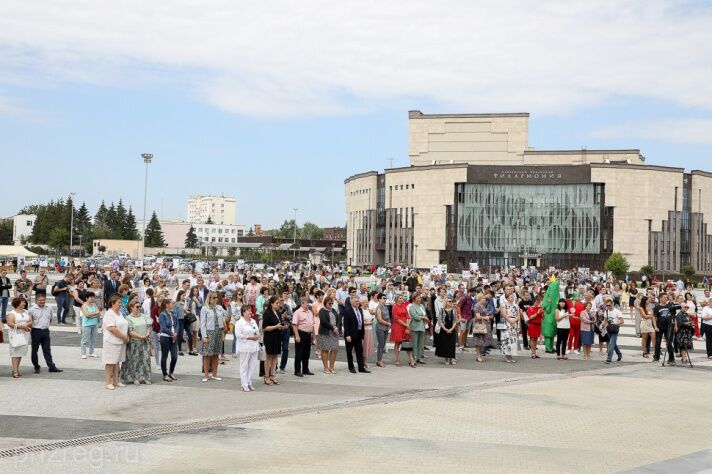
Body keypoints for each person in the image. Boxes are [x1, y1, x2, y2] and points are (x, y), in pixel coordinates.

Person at [120, 299, 152, 385]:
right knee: (135, 360)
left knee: (145, 359)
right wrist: (141, 336)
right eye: (137, 307)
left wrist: (147, 333)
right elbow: (130, 331)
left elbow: (148, 327)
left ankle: (145, 377)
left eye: (140, 306)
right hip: (134, 342)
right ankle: (135, 377)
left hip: (144, 341)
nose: (139, 308)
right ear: (131, 307)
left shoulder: (143, 316)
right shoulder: (128, 318)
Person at [102, 295, 129, 390]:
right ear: (113, 303)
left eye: (121, 303)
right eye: (119, 303)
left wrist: (125, 337)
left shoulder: (119, 313)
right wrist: (123, 336)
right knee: (110, 362)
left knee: (117, 362)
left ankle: (116, 381)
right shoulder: (109, 313)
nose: (121, 304)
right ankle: (108, 382)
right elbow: (112, 328)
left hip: (120, 342)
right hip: (111, 341)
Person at [200, 292, 225, 382]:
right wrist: (204, 336)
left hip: (218, 331)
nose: (216, 299)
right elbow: (202, 323)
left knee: (216, 354)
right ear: (209, 299)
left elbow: (227, 314)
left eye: (216, 297)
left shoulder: (219, 308)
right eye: (214, 298)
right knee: (207, 354)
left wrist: (227, 306)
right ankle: (206, 375)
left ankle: (214, 374)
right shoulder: (204, 308)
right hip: (209, 332)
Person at [235, 304, 259, 391]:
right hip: (244, 347)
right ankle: (244, 384)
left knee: (253, 365)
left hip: (254, 346)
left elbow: (256, 331)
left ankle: (249, 382)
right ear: (243, 312)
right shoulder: (239, 323)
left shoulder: (253, 321)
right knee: (244, 366)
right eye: (248, 311)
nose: (250, 312)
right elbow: (238, 335)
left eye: (250, 310)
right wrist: (249, 337)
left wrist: (257, 335)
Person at [262, 295, 285, 385]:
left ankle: (272, 374)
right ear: (271, 304)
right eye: (277, 303)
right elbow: (265, 327)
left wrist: (282, 327)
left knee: (275, 356)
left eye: (279, 303)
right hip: (269, 337)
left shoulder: (278, 313)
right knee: (269, 357)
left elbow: (278, 323)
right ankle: (266, 376)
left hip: (277, 336)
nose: (279, 304)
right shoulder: (267, 313)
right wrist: (276, 326)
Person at [343, 293, 369, 373]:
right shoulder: (347, 311)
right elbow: (345, 324)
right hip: (350, 335)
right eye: (356, 301)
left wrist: (362, 332)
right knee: (349, 352)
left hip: (359, 333)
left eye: (358, 301)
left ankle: (361, 367)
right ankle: (351, 367)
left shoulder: (360, 310)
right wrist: (347, 335)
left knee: (359, 351)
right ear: (351, 302)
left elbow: (361, 322)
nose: (357, 303)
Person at [7, 297, 32, 378]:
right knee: (15, 352)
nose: (24, 303)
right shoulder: (12, 313)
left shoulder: (26, 312)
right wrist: (21, 326)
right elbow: (10, 324)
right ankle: (15, 371)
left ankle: (16, 369)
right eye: (23, 302)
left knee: (20, 352)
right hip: (15, 334)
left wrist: (26, 325)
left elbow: (31, 321)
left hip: (25, 334)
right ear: (17, 303)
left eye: (24, 302)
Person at [292, 297, 316, 377]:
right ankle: (297, 370)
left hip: (308, 334)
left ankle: (305, 369)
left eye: (308, 303)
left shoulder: (310, 312)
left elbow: (312, 324)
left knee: (307, 353)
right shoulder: (297, 312)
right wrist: (297, 335)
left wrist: (313, 334)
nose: (308, 304)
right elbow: (294, 324)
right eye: (306, 303)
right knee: (299, 353)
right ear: (302, 303)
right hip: (301, 333)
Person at [390, 293, 414, 367]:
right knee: (397, 343)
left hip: (405, 326)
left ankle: (411, 360)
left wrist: (407, 326)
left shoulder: (404, 306)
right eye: (400, 298)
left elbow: (407, 316)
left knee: (407, 343)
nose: (402, 299)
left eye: (402, 298)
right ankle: (397, 360)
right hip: (398, 326)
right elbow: (396, 319)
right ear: (396, 299)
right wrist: (406, 325)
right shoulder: (395, 307)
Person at [318, 295, 340, 373]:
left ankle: (331, 367)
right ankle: (325, 368)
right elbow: (324, 322)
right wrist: (333, 328)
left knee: (334, 350)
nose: (331, 304)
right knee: (325, 350)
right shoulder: (322, 311)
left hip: (334, 333)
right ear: (325, 303)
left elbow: (338, 319)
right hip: (325, 333)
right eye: (329, 303)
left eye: (332, 303)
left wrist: (337, 327)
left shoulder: (333, 310)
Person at [653, 293, 677, 365]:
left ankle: (671, 359)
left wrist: (675, 326)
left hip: (669, 327)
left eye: (667, 297)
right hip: (660, 327)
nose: (666, 299)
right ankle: (656, 357)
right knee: (658, 342)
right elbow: (654, 317)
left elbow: (673, 316)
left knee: (669, 342)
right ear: (660, 298)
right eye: (664, 297)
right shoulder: (657, 307)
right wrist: (655, 327)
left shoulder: (670, 306)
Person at [158, 299, 179, 382]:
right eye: (171, 303)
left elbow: (177, 325)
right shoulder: (162, 315)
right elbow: (163, 328)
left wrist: (176, 333)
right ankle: (165, 374)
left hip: (173, 337)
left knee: (174, 357)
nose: (173, 304)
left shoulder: (173, 314)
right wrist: (171, 334)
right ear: (167, 305)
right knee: (165, 356)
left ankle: (171, 372)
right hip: (165, 337)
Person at [408, 293, 428, 365]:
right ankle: (414, 358)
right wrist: (422, 317)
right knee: (414, 343)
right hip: (415, 326)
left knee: (420, 344)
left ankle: (419, 358)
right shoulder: (412, 306)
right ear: (414, 299)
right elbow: (415, 316)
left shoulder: (422, 306)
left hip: (422, 326)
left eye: (420, 298)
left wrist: (424, 318)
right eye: (418, 298)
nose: (420, 299)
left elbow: (425, 314)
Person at [435, 297, 457, 364]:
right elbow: (440, 321)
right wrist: (445, 329)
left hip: (452, 328)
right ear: (446, 302)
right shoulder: (442, 310)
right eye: (449, 301)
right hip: (444, 328)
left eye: (451, 301)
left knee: (452, 344)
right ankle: (446, 359)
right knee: (445, 344)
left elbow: (455, 321)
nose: (450, 302)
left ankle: (452, 358)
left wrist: (451, 329)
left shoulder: (454, 310)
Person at [472, 293, 493, 363]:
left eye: (484, 298)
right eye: (483, 298)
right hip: (479, 324)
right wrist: (486, 317)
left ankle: (480, 355)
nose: (484, 299)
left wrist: (488, 316)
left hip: (483, 324)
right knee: (478, 340)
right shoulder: (477, 305)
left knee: (482, 340)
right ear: (479, 299)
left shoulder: (482, 305)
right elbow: (477, 316)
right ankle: (478, 356)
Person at [499, 292, 519, 363]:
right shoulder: (504, 305)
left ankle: (511, 356)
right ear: (507, 298)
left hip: (513, 322)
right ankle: (507, 356)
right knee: (506, 339)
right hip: (507, 323)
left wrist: (515, 320)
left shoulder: (516, 305)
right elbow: (504, 314)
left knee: (513, 340)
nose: (512, 298)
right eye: (511, 297)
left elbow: (518, 315)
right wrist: (511, 321)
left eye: (513, 297)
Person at [80, 291, 101, 359]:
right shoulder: (84, 305)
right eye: (90, 297)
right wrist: (95, 313)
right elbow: (87, 315)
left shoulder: (94, 305)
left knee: (93, 339)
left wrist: (92, 315)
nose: (92, 298)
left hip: (94, 324)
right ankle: (83, 353)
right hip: (86, 325)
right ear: (86, 298)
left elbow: (98, 313)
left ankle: (91, 352)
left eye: (93, 297)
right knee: (85, 340)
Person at [603, 297, 624, 364]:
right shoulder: (606, 311)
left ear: (612, 304)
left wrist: (617, 323)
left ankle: (609, 358)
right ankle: (619, 354)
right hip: (609, 329)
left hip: (615, 329)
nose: (608, 307)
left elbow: (622, 321)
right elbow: (605, 320)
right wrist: (602, 325)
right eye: (607, 305)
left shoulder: (617, 311)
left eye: (609, 305)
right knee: (613, 344)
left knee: (611, 344)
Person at [374, 293, 391, 368]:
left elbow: (388, 317)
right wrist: (387, 323)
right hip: (380, 327)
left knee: (383, 344)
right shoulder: (378, 308)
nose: (385, 299)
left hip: (386, 327)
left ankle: (380, 359)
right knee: (380, 345)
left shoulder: (385, 307)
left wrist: (389, 323)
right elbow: (380, 319)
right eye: (383, 298)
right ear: (379, 299)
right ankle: (379, 360)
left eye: (385, 298)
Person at [362, 296, 375, 366]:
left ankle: (365, 362)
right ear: (362, 303)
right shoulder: (360, 310)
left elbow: (373, 314)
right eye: (366, 302)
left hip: (369, 330)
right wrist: (368, 323)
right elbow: (359, 322)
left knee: (367, 346)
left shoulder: (368, 310)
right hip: (364, 330)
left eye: (367, 302)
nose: (367, 303)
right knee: (363, 346)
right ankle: (361, 361)